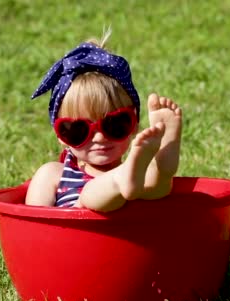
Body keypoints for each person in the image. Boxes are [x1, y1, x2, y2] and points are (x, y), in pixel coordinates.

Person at [25, 34, 182, 212]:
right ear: (61, 136)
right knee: (89, 196)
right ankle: (120, 180)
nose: (99, 137)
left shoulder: (136, 175)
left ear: (134, 125)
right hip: (72, 236)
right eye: (79, 129)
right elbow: (32, 221)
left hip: (122, 232)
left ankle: (163, 167)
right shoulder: (53, 174)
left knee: (156, 187)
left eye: (114, 125)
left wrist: (151, 176)